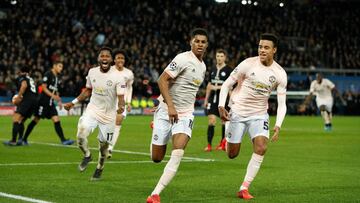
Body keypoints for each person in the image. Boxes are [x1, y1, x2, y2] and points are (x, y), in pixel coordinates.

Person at [218, 33, 287, 199]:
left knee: (262, 147)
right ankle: (228, 133)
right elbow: (227, 84)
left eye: (266, 47)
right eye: (260, 46)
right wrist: (221, 105)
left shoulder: (279, 73)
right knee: (232, 154)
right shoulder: (248, 64)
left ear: (274, 50)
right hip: (238, 112)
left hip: (259, 114)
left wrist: (278, 125)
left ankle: (244, 187)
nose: (262, 50)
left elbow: (281, 103)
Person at [146, 28, 208, 203]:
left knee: (178, 151)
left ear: (207, 45)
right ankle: (155, 128)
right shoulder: (182, 59)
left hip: (185, 114)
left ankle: (155, 193)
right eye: (197, 41)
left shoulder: (203, 66)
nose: (200, 44)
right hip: (166, 111)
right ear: (191, 42)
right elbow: (162, 80)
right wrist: (167, 105)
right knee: (156, 158)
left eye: (203, 42)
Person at [64, 47, 126, 180]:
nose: (104, 58)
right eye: (102, 56)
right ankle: (87, 155)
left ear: (111, 60)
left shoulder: (119, 77)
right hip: (93, 110)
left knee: (103, 148)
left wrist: (121, 106)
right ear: (98, 58)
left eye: (107, 56)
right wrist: (73, 102)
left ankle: (99, 168)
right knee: (80, 134)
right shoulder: (92, 72)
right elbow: (87, 91)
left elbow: (121, 98)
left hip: (109, 116)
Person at [22, 61, 74, 145]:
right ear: (54, 66)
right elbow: (43, 87)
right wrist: (53, 96)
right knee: (36, 119)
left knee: (56, 119)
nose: (61, 68)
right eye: (60, 66)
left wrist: (59, 101)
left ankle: (63, 140)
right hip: (43, 102)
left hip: (50, 103)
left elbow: (56, 90)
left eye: (62, 67)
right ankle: (24, 139)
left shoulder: (57, 77)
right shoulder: (48, 74)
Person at [203, 49, 232, 152]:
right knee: (211, 120)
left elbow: (230, 86)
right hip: (212, 99)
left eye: (221, 56)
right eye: (217, 56)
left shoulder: (228, 70)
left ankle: (222, 143)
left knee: (224, 121)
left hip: (223, 99)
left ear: (225, 57)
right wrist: (206, 100)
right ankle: (209, 145)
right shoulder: (212, 69)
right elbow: (209, 85)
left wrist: (231, 101)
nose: (219, 58)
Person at [107, 49, 134, 159]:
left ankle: (110, 148)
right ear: (114, 60)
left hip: (121, 101)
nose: (120, 60)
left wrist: (128, 102)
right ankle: (105, 143)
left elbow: (129, 88)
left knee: (118, 122)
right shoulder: (108, 71)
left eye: (122, 58)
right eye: (118, 58)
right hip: (109, 100)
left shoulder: (129, 73)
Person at [3, 67, 38, 146]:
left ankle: (13, 141)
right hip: (34, 101)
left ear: (21, 72)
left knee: (16, 118)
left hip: (28, 100)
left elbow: (24, 86)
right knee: (21, 121)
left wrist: (19, 97)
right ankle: (20, 140)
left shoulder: (22, 77)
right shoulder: (31, 78)